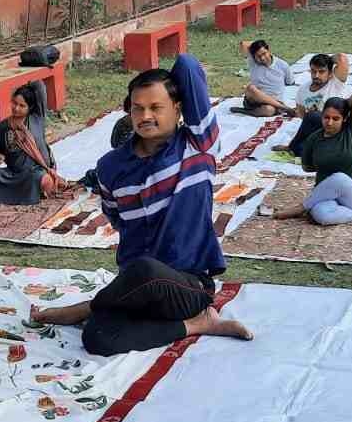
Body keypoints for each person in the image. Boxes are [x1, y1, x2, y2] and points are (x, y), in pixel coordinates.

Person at [29, 54, 253, 355]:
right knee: (97, 339)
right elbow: (118, 220)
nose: (145, 115)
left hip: (187, 286)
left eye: (156, 107)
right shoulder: (110, 167)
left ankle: (86, 307)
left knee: (147, 269)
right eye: (138, 108)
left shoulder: (198, 147)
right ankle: (198, 325)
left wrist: (166, 82)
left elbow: (186, 64)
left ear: (178, 108)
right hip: (134, 286)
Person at [264, 90, 352, 226]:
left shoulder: (351, 131)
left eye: (336, 118)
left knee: (339, 178)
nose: (330, 122)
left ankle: (300, 208)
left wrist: (343, 104)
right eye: (326, 117)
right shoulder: (313, 139)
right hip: (327, 196)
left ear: (344, 119)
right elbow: (307, 167)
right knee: (321, 216)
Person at [0, 80, 69, 204]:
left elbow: (40, 86)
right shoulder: (3, 127)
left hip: (35, 172)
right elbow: (1, 149)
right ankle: (18, 192)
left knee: (44, 181)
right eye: (14, 103)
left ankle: (13, 193)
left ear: (30, 107)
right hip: (12, 174)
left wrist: (27, 86)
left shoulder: (37, 118)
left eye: (22, 106)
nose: (16, 108)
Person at [272, 52, 352, 158]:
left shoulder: (336, 82)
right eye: (313, 71)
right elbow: (301, 114)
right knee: (301, 151)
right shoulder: (303, 90)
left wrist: (328, 59)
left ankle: (291, 146)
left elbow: (341, 58)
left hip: (338, 127)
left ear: (330, 73)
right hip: (320, 130)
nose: (316, 75)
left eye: (321, 71)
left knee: (313, 115)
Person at [237, 39, 298, 117]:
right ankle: (285, 108)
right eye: (258, 56)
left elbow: (290, 83)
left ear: (268, 50)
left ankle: (248, 112)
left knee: (269, 111)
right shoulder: (252, 62)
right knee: (250, 88)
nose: (262, 58)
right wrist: (257, 45)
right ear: (253, 56)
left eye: (264, 53)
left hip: (273, 103)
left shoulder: (283, 65)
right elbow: (243, 44)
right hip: (254, 100)